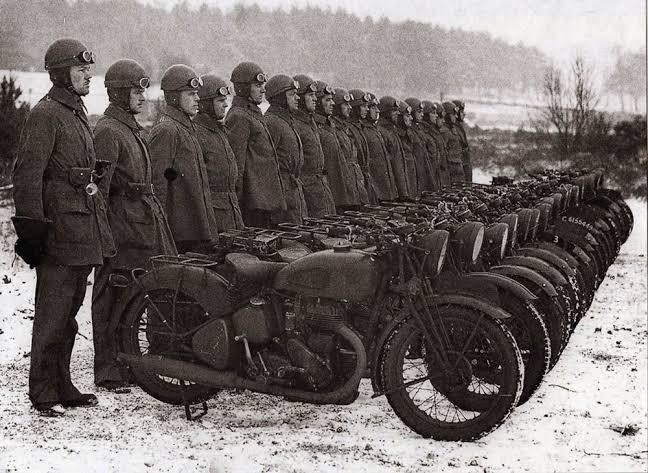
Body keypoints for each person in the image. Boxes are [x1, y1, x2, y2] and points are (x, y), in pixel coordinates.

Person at [11, 38, 115, 416]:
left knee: (68, 314)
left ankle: (63, 383)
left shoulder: (74, 112)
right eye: (81, 70)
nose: (89, 75)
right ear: (60, 74)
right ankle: (42, 391)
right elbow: (27, 176)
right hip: (56, 233)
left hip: (80, 231)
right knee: (52, 315)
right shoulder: (46, 114)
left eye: (88, 69)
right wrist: (33, 231)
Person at [91, 59, 177, 392]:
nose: (142, 96)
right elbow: (98, 189)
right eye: (135, 90)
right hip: (121, 228)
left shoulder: (127, 127)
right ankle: (108, 370)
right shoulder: (108, 132)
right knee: (111, 297)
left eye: (142, 90)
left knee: (132, 297)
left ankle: (126, 363)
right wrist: (105, 234)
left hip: (139, 222)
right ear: (117, 93)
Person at [149, 64, 218, 252]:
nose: (197, 99)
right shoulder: (167, 130)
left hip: (193, 227)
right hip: (179, 232)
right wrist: (161, 231)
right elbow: (159, 184)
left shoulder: (185, 128)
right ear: (173, 97)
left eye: (196, 93)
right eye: (190, 94)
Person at [225, 62, 286, 228]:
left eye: (263, 86)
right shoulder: (239, 116)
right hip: (253, 203)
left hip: (263, 199)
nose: (263, 90)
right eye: (258, 86)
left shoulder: (252, 113)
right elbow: (237, 164)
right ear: (244, 88)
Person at [195, 75, 244, 231]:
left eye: (226, 100)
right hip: (213, 216)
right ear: (205, 104)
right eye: (220, 101)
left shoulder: (219, 131)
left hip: (231, 211)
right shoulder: (197, 134)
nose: (226, 105)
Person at [264, 74, 308, 224]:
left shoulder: (285, 120)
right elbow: (267, 164)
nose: (298, 98)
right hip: (282, 194)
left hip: (293, 190)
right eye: (292, 94)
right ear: (279, 98)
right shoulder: (272, 122)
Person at [292, 74, 336, 217]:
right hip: (308, 192)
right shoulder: (296, 124)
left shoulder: (310, 123)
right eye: (310, 95)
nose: (315, 99)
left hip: (321, 190)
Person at [314, 81, 359, 212]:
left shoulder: (331, 127)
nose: (332, 104)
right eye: (328, 100)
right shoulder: (319, 128)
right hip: (329, 190)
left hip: (341, 190)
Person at [331, 87, 369, 209]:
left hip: (356, 184)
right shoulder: (334, 130)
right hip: (345, 189)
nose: (350, 107)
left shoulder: (344, 129)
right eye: (345, 104)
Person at [359, 92, 398, 202]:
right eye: (372, 107)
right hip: (375, 190)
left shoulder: (374, 130)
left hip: (385, 188)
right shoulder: (363, 131)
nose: (377, 111)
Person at [378, 96, 415, 200]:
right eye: (394, 110)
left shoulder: (391, 132)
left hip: (400, 190)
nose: (398, 113)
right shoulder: (384, 133)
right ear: (386, 112)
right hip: (393, 190)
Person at [345, 88, 376, 204]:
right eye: (363, 106)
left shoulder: (359, 127)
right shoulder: (350, 129)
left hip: (363, 179)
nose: (367, 109)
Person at [405, 97, 439, 191]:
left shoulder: (419, 130)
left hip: (425, 174)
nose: (422, 115)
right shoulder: (409, 132)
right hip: (417, 177)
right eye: (419, 112)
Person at [441, 101, 466, 183]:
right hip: (451, 170)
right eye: (453, 114)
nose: (456, 116)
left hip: (457, 168)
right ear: (447, 115)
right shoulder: (444, 131)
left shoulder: (452, 129)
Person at [452, 99, 472, 182]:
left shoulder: (459, 127)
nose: (464, 114)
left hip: (464, 163)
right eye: (461, 111)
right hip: (459, 166)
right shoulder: (453, 128)